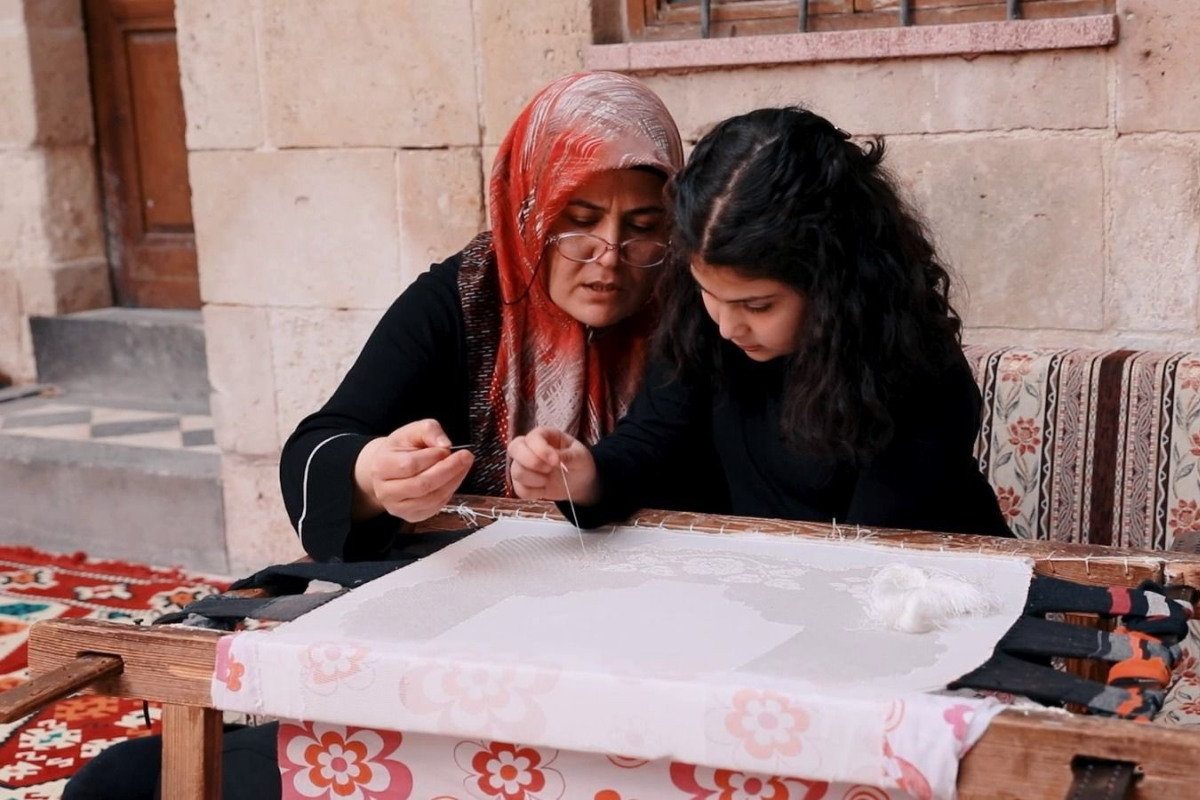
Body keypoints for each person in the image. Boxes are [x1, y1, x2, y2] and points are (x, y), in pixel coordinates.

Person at [64, 70, 686, 800]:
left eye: (642, 228)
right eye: (576, 220)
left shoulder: (695, 317)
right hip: (443, 664)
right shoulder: (461, 302)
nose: (609, 255)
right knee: (124, 786)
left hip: (636, 675)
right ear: (528, 209)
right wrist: (370, 474)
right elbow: (322, 441)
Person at [509, 106, 1012, 539]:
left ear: (832, 286)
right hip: (786, 592)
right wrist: (583, 476)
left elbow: (876, 553)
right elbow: (653, 444)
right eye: (710, 294)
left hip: (933, 603)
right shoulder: (702, 324)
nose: (728, 326)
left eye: (758, 306)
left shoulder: (918, 374)